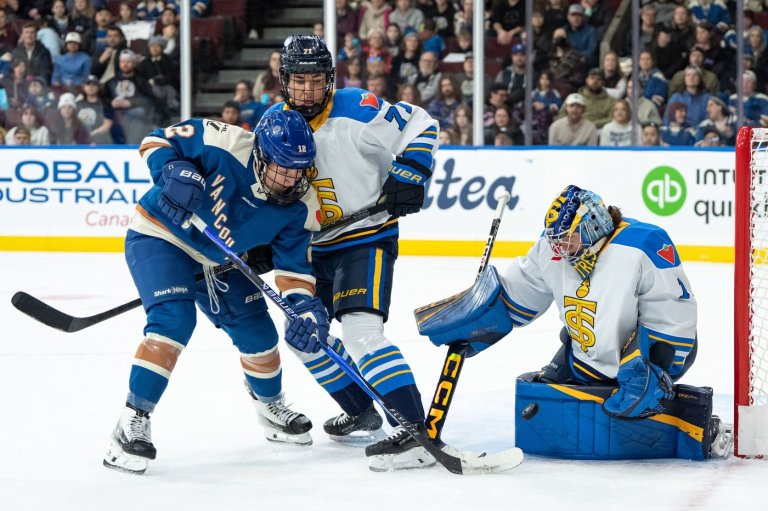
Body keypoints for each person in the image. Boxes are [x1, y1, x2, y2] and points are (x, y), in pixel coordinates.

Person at [418, 185, 731, 460]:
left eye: (569, 239)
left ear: (595, 224)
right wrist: (478, 313)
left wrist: (658, 368)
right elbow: (519, 296)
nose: (562, 249)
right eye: (557, 241)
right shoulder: (553, 249)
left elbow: (675, 311)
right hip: (583, 353)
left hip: (643, 357)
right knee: (539, 391)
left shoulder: (643, 243)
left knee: (639, 393)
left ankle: (665, 402)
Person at [103, 109, 326, 475]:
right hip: (160, 235)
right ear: (260, 155)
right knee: (174, 320)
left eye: (298, 169)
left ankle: (270, 408)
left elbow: (294, 270)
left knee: (260, 334)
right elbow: (154, 140)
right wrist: (172, 171)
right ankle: (131, 421)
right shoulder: (222, 140)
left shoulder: (301, 204)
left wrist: (305, 310)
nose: (289, 179)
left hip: (221, 258)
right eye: (281, 167)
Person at [272, 34, 439, 472]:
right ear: (283, 81)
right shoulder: (272, 122)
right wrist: (260, 242)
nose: (306, 91)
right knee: (305, 340)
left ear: (329, 79)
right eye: (297, 81)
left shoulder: (358, 109)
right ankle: (361, 409)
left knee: (362, 334)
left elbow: (422, 123)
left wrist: (412, 169)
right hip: (308, 251)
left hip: (366, 237)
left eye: (315, 80)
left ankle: (414, 430)